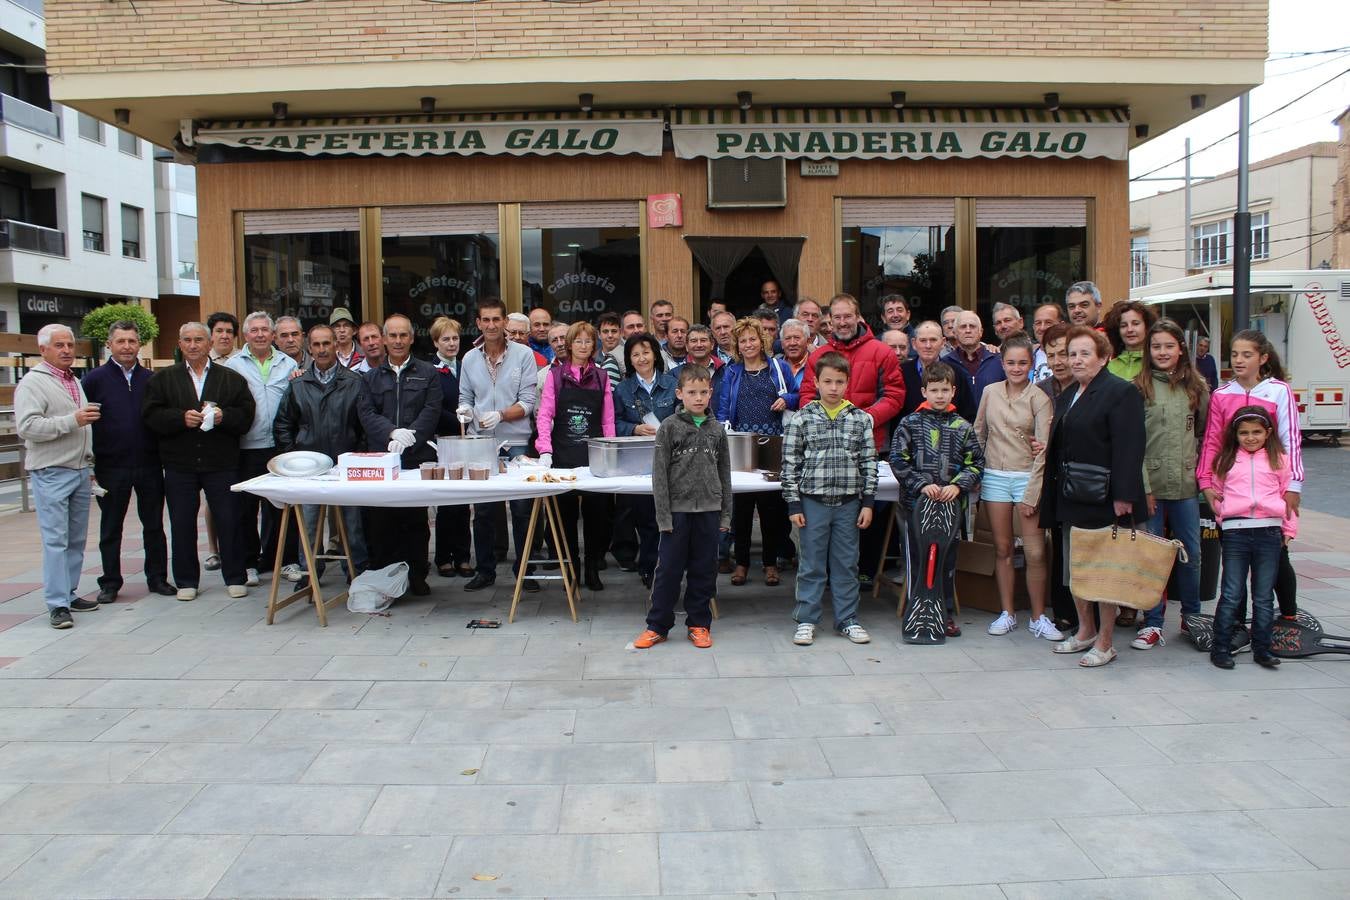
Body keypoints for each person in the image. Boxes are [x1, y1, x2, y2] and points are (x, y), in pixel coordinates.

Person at [1040, 326, 1147, 668]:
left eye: (1085, 353)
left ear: (1104, 357)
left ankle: (1105, 642)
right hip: (1072, 496)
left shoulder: (1121, 392)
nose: (1076, 359)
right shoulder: (1070, 393)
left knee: (1103, 575)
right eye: (1072, 353)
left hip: (1105, 499)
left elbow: (1130, 448)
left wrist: (1124, 497)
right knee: (1076, 570)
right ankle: (1085, 630)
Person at [143, 322, 255, 602]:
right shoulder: (163, 379)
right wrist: (179, 419)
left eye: (199, 340)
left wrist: (223, 417)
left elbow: (246, 415)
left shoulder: (231, 379)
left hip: (221, 462)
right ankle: (186, 580)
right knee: (181, 522)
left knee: (229, 519)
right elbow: (151, 416)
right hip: (180, 463)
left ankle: (235, 576)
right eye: (187, 340)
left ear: (209, 344)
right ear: (180, 345)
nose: (193, 345)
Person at [1198, 329, 1303, 622]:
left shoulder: (1278, 391)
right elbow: (1212, 441)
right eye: (1234, 354)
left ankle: (1289, 618)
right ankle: (1237, 623)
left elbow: (1290, 439)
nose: (1239, 360)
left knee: (1279, 556)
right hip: (1233, 493)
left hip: (1272, 492)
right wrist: (1206, 482)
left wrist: (1293, 484)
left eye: (1247, 354)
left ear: (1263, 358)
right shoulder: (1222, 394)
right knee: (1235, 563)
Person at [632, 365, 732, 650]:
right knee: (668, 571)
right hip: (677, 512)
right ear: (680, 394)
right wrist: (663, 515)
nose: (698, 398)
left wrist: (726, 513)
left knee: (704, 570)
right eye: (692, 392)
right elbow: (659, 476)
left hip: (710, 511)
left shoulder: (716, 430)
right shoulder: (669, 427)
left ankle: (699, 624)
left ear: (711, 393)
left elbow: (724, 472)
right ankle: (657, 625)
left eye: (703, 392)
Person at [782, 351, 877, 646]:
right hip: (812, 503)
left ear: (848, 383)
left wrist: (868, 502)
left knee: (847, 563)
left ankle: (847, 619)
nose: (833, 387)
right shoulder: (802, 418)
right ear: (816, 382)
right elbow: (790, 463)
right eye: (828, 381)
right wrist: (793, 503)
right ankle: (807, 619)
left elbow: (869, 462)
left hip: (849, 503)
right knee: (811, 564)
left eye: (839, 382)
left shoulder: (860, 419)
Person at [974, 333, 1060, 640]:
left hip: (1026, 477)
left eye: (1023, 362)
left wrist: (1034, 492)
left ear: (1031, 364)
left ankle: (1038, 617)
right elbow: (979, 434)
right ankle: (1007, 612)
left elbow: (1044, 450)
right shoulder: (990, 392)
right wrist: (975, 473)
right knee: (1003, 548)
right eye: (1010, 362)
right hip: (995, 476)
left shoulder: (1040, 397)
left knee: (1036, 552)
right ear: (1002, 363)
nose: (1016, 368)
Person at [1129, 318, 1209, 647]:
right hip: (1152, 485)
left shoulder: (1197, 387)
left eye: (1169, 346)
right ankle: (1153, 621)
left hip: (1186, 485)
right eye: (1156, 346)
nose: (1162, 352)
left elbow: (1205, 433)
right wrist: (1144, 487)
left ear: (1181, 350)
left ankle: (1192, 617)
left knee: (1191, 552)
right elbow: (1133, 442)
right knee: (1151, 555)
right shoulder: (1139, 386)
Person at [890, 362, 984, 638]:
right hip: (915, 507)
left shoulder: (962, 427)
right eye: (934, 390)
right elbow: (897, 460)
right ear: (924, 391)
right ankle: (916, 612)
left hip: (950, 509)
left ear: (953, 391)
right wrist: (921, 484)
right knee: (917, 560)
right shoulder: (910, 423)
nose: (940, 395)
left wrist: (958, 485)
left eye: (945, 390)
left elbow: (976, 462)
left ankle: (944, 614)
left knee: (946, 562)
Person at [82, 320, 173, 603]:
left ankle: (157, 577)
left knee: (154, 525)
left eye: (132, 341)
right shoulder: (94, 380)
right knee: (111, 526)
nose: (127, 347)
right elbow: (84, 422)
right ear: (110, 344)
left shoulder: (152, 379)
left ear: (139, 344)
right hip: (111, 465)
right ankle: (110, 582)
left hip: (149, 464)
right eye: (121, 341)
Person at [272, 323, 368, 582]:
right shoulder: (298, 384)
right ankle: (309, 574)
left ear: (336, 345)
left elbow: (365, 426)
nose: (322, 349)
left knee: (353, 526)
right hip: (308, 469)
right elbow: (283, 424)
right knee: (309, 526)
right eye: (316, 344)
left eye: (327, 343)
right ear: (309, 347)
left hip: (346, 467)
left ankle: (356, 573)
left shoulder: (354, 382)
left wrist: (356, 456)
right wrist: (293, 458)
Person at [18, 325, 100, 629]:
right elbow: (28, 428)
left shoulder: (74, 381)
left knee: (76, 538)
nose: (67, 350)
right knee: (56, 539)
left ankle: (69, 591)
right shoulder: (32, 383)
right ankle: (57, 604)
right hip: (51, 470)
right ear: (43, 350)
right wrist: (73, 420)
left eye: (70, 344)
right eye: (59, 345)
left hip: (79, 470)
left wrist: (89, 464)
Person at [355, 314, 441, 597]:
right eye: (392, 335)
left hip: (416, 457)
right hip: (383, 458)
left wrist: (410, 436)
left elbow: (431, 411)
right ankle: (385, 576)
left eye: (403, 335)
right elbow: (366, 413)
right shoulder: (369, 378)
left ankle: (417, 575)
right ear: (383, 339)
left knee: (415, 520)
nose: (398, 341)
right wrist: (392, 433)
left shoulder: (427, 372)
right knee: (381, 521)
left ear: (412, 338)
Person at [458, 297, 540, 592]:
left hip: (516, 440)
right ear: (478, 323)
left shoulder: (524, 355)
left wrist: (502, 414)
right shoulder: (469, 359)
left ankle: (525, 569)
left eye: (497, 319)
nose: (492, 325)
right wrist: (465, 412)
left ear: (505, 322)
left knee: (521, 508)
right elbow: (465, 398)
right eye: (486, 320)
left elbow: (529, 403)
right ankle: (485, 570)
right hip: (481, 441)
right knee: (483, 510)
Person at [1208, 407, 1295, 670]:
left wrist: (1288, 530)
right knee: (1232, 592)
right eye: (1244, 432)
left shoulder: (1279, 459)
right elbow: (1217, 492)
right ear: (1235, 434)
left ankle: (1263, 648)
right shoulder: (1227, 460)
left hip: (1269, 531)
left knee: (1263, 595)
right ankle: (1221, 647)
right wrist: (1224, 518)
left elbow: (1288, 494)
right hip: (1236, 531)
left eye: (1257, 432)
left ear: (1268, 433)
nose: (1250, 437)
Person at [536, 322, 615, 590]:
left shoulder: (602, 377)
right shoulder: (555, 376)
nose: (583, 346)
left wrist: (610, 450)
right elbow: (545, 414)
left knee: (597, 516)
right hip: (562, 454)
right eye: (578, 341)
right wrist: (544, 449)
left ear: (595, 345)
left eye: (588, 341)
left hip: (593, 456)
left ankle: (593, 566)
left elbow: (608, 420)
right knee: (564, 517)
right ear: (569, 345)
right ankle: (572, 567)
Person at [717, 317, 794, 587]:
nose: (748, 344)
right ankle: (742, 564)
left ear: (762, 341)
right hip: (741, 443)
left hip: (772, 443)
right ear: (737, 345)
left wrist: (787, 399)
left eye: (753, 339)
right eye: (743, 340)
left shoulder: (778, 367)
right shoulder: (732, 371)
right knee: (742, 509)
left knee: (771, 509)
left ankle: (770, 564)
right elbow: (724, 406)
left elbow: (797, 394)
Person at [227, 312, 298, 586]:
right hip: (246, 446)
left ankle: (286, 560)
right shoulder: (233, 366)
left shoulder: (287, 362)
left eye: (264, 330)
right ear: (246, 335)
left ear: (272, 335)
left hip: (279, 447)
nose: (259, 334)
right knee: (245, 509)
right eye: (254, 330)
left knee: (282, 508)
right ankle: (248, 563)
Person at [799, 293, 905, 453]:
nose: (842, 323)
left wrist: (866, 418)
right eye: (837, 317)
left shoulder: (883, 352)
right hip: (827, 444)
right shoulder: (818, 356)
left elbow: (894, 396)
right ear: (830, 320)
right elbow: (807, 396)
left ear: (858, 317)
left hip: (871, 444)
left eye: (847, 316)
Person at [613, 333, 677, 587]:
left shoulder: (672, 384)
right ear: (629, 359)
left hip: (671, 459)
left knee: (670, 516)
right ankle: (649, 567)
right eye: (635, 354)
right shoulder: (623, 388)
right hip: (638, 462)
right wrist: (634, 429)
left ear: (655, 354)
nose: (642, 358)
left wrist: (670, 427)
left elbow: (685, 415)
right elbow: (614, 422)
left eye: (646, 352)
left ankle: (670, 566)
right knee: (646, 518)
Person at [1034, 322, 1078, 631]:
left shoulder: (1089, 386)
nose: (1058, 361)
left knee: (1084, 547)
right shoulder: (1042, 389)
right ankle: (1064, 610)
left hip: (1084, 479)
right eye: (1052, 355)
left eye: (1064, 353)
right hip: (1053, 479)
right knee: (1060, 545)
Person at [431, 316, 472, 578]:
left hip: (467, 440)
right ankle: (443, 557)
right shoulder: (431, 369)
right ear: (436, 341)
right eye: (445, 339)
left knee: (465, 501)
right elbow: (433, 406)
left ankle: (463, 556)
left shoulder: (466, 365)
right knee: (447, 502)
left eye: (455, 338)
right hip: (444, 440)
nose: (451, 343)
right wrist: (458, 418)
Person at [901, 321, 974, 418]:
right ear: (914, 344)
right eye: (923, 340)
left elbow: (969, 414)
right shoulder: (901, 373)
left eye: (933, 340)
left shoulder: (957, 373)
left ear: (943, 343)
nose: (928, 346)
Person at [942, 310, 1005, 418]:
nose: (968, 330)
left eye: (972, 326)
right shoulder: (945, 363)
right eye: (963, 327)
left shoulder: (998, 360)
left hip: (993, 428)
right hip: (957, 429)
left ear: (981, 332)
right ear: (955, 333)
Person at [1104, 300, 1157, 381]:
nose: (1129, 329)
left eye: (1135, 324)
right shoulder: (1109, 367)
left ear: (1147, 327)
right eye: (1123, 325)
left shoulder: (1156, 362)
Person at [1030, 302, 1065, 382]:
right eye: (1038, 323)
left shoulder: (1072, 355)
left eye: (1048, 322)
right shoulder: (1028, 356)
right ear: (1033, 327)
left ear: (1061, 325)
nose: (1042, 328)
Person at [596, 311, 625, 378]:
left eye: (614, 331)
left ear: (620, 333)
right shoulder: (591, 361)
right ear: (599, 334)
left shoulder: (631, 357)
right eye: (605, 331)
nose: (610, 335)